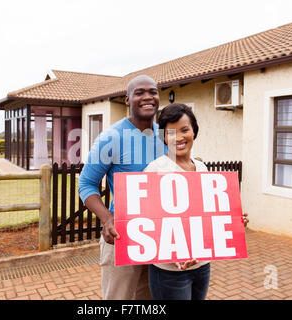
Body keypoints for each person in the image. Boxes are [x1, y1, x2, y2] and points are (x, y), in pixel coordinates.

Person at [78, 75, 168, 300]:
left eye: (153, 92)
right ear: (127, 100)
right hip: (123, 235)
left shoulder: (168, 136)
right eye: (139, 93)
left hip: (161, 235)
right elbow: (86, 184)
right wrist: (108, 219)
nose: (148, 97)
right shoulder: (111, 137)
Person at [143, 103, 211, 300]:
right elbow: (146, 222)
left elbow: (207, 215)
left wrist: (232, 220)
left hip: (202, 265)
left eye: (184, 130)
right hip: (169, 271)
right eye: (171, 132)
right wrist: (172, 253)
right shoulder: (155, 169)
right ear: (164, 137)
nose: (179, 138)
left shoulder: (202, 167)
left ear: (194, 131)